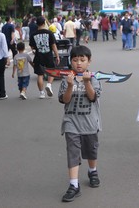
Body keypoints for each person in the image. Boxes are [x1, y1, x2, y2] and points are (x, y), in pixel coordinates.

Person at [58, 44, 101, 202]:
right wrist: (70, 85)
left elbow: (92, 97)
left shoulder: (94, 79)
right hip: (71, 123)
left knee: (91, 150)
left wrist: (87, 82)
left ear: (89, 61)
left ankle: (92, 170)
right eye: (75, 60)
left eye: (82, 60)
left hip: (90, 123)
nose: (78, 63)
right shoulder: (66, 79)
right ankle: (73, 185)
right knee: (73, 153)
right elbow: (65, 100)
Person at [30, 16, 60, 99]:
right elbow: (53, 45)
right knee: (52, 71)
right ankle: (49, 85)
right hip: (48, 55)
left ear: (37, 24)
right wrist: (57, 55)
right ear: (44, 23)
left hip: (38, 56)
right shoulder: (49, 33)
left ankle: (41, 93)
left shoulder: (33, 34)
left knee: (40, 74)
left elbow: (32, 47)